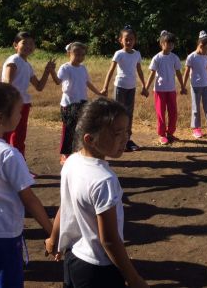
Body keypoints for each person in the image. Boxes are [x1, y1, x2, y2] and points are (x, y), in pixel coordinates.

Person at [45, 98, 148, 288]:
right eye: (117, 133)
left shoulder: (71, 161)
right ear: (90, 139)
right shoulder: (104, 180)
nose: (125, 138)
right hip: (100, 269)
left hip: (74, 259)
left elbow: (65, 206)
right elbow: (109, 240)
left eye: (127, 131)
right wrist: (134, 279)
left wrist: (54, 237)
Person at [0, 81, 52, 288]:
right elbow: (29, 199)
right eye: (18, 111)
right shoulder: (8, 155)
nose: (21, 116)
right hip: (4, 233)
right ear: (0, 118)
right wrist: (51, 230)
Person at [1, 31, 55, 158]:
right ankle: (3, 161)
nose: (28, 46)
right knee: (6, 134)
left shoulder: (27, 65)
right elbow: (7, 84)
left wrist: (47, 71)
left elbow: (39, 86)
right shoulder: (14, 60)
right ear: (15, 45)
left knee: (20, 136)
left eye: (31, 43)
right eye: (24, 43)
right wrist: (11, 104)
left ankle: (19, 162)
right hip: (11, 103)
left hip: (23, 104)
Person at [51, 42, 103, 165]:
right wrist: (51, 70)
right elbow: (57, 81)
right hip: (68, 104)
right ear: (69, 54)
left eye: (82, 54)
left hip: (82, 102)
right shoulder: (65, 68)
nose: (80, 57)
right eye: (77, 54)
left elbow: (87, 83)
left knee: (81, 128)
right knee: (68, 129)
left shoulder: (83, 68)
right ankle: (65, 154)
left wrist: (99, 92)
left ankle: (77, 152)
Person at [101, 25, 148, 152]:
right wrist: (105, 87)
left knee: (128, 114)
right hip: (120, 87)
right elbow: (111, 71)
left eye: (131, 39)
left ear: (135, 40)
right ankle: (114, 139)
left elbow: (139, 71)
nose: (129, 42)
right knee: (117, 114)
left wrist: (144, 86)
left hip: (131, 88)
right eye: (126, 39)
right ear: (120, 40)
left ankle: (127, 140)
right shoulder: (119, 54)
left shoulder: (137, 54)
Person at [145, 31, 187, 145]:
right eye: (167, 43)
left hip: (171, 90)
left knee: (173, 112)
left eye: (172, 44)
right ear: (161, 43)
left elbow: (178, 73)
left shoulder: (175, 58)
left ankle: (170, 133)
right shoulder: (157, 58)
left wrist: (183, 86)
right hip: (159, 90)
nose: (170, 46)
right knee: (160, 113)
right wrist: (146, 88)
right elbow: (152, 74)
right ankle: (162, 134)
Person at [183, 31, 207, 139]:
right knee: (196, 108)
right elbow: (186, 72)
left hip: (206, 86)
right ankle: (196, 128)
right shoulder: (191, 57)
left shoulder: (205, 57)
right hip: (195, 86)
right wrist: (183, 86)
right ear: (201, 45)